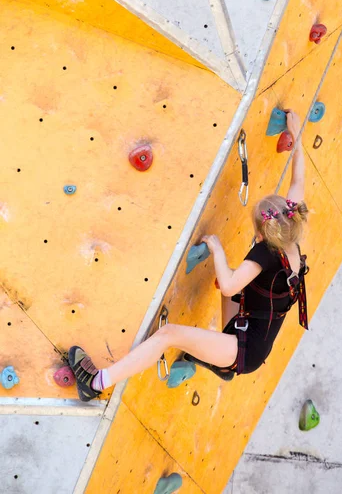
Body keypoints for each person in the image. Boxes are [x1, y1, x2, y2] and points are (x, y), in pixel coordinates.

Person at [68, 110, 309, 402]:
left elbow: (232, 285)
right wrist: (297, 135)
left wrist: (216, 248)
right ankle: (221, 365)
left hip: (243, 347)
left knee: (169, 334)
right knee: (227, 283)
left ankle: (94, 383)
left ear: (261, 234)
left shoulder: (264, 252)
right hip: (251, 335)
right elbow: (298, 178)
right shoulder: (290, 233)